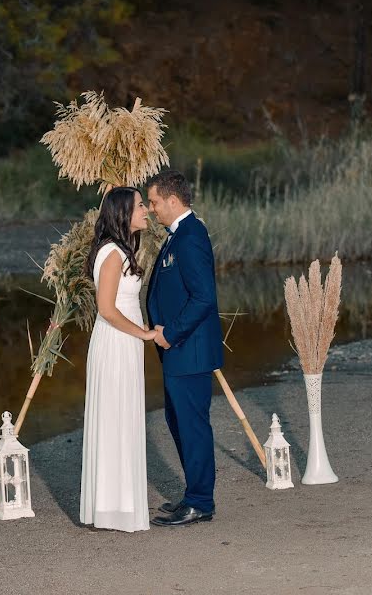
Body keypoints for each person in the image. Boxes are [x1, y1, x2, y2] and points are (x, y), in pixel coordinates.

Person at [145, 170, 224, 527]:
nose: (151, 209)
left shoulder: (191, 235)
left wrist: (170, 333)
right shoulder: (176, 236)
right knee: (178, 422)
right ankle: (194, 495)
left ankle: (200, 502)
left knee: (192, 426)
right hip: (178, 350)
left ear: (173, 201)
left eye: (154, 202)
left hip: (187, 349)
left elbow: (204, 297)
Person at [79, 186, 154, 532]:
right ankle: (114, 507)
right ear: (124, 213)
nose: (147, 210)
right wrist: (143, 333)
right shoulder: (112, 254)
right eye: (141, 206)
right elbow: (107, 309)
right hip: (116, 343)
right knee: (115, 419)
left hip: (124, 343)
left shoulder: (123, 250)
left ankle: (120, 504)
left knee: (123, 417)